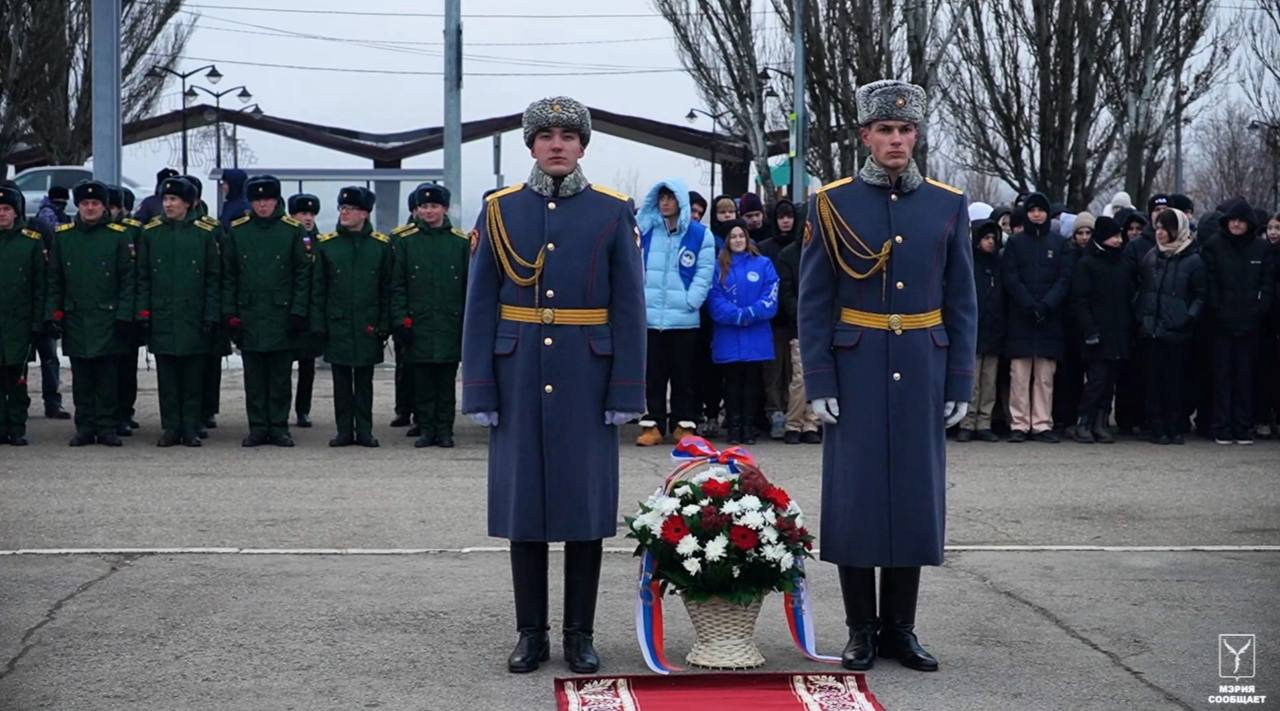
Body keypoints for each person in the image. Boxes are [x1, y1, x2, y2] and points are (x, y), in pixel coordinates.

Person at [461, 97, 645, 675]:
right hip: (517, 376)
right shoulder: (499, 211)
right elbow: (480, 307)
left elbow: (629, 309)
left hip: (588, 378)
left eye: (569, 135)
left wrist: (625, 392)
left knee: (585, 511)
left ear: (584, 145)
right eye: (546, 135)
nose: (558, 144)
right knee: (526, 511)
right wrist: (481, 389)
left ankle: (580, 634)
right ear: (531, 145)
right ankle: (531, 633)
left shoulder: (613, 211)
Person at [799, 79, 976, 673]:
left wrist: (958, 382)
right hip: (856, 364)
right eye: (885, 130)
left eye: (905, 130)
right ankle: (860, 631)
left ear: (916, 135)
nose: (896, 140)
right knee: (857, 499)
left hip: (923, 362)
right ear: (865, 136)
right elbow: (815, 300)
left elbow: (962, 301)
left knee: (913, 498)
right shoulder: (833, 202)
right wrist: (820, 379)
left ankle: (901, 628)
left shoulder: (947, 203)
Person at [222, 175, 311, 448]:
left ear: (276, 201)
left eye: (268, 200)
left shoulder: (291, 231)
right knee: (255, 377)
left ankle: (280, 426)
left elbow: (302, 274)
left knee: (280, 377)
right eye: (258, 200)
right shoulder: (238, 231)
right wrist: (231, 314)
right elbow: (229, 275)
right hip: (249, 314)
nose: (263, 206)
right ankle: (258, 427)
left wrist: (298, 311)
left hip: (281, 314)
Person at [44, 181, 134, 447]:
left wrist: (125, 314)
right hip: (76, 317)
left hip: (109, 318)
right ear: (78, 206)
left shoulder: (118, 235)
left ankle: (106, 427)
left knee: (107, 377)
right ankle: (84, 427)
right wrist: (54, 313)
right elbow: (55, 279)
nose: (90, 208)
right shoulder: (64, 236)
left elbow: (128, 279)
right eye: (85, 204)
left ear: (104, 206)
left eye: (95, 204)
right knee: (82, 378)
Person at [136, 177, 220, 447]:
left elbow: (212, 277)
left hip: (194, 316)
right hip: (163, 315)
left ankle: (191, 427)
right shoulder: (151, 232)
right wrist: (144, 311)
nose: (168, 204)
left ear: (188, 203)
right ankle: (171, 427)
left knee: (193, 378)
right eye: (166, 199)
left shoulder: (204, 233)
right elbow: (143, 277)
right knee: (168, 378)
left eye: (174, 200)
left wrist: (211, 314)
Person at [633, 179, 715, 446]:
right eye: (661, 198)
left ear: (680, 201)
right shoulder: (645, 231)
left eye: (670, 198)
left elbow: (705, 272)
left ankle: (683, 423)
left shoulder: (700, 234)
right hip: (650, 318)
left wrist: (691, 301)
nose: (665, 202)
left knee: (683, 375)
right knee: (653, 375)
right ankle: (653, 424)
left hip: (684, 319)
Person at [311, 186, 392, 448]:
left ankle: (365, 430)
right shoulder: (328, 245)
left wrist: (383, 324)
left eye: (351, 209)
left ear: (364, 214)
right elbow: (318, 289)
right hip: (338, 323)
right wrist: (318, 324)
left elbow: (387, 288)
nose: (344, 213)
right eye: (342, 208)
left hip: (367, 324)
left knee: (365, 381)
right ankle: (344, 430)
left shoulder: (380, 246)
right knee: (341, 381)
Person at [390, 183, 470, 449]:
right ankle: (426, 428)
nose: (429, 211)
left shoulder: (460, 242)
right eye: (424, 206)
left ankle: (445, 429)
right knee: (422, 381)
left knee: (446, 382)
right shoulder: (405, 241)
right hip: (418, 324)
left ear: (444, 209)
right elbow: (397, 284)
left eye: (434, 206)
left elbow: (468, 287)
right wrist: (401, 319)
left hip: (449, 323)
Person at [1201, 199, 1275, 444]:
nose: (1235, 224)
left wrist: (1257, 311)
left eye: (1241, 220)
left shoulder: (1261, 249)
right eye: (1232, 220)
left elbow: (1267, 284)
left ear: (1249, 224)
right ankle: (1222, 426)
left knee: (1245, 377)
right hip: (1220, 323)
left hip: (1250, 324)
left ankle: (1242, 427)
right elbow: (1209, 283)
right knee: (1222, 376)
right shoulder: (1214, 246)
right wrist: (1217, 312)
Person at [1002, 192, 1071, 442]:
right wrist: (1029, 304)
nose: (1037, 214)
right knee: (1019, 375)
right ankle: (1019, 424)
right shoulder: (1015, 243)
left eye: (1041, 210)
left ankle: (1042, 424)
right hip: (1021, 317)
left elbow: (1064, 279)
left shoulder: (1060, 243)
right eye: (1032, 210)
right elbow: (1010, 277)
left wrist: (1046, 305)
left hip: (1049, 318)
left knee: (1044, 376)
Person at [1135, 208, 1205, 445]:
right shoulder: (1151, 257)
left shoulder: (1193, 259)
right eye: (1158, 228)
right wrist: (1143, 317)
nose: (1161, 233)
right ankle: (1157, 428)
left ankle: (1174, 427)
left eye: (1166, 228)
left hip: (1178, 331)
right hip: (1152, 329)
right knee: (1154, 382)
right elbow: (1140, 289)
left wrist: (1188, 317)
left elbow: (1201, 295)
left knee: (1176, 382)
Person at [708, 218, 778, 444]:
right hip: (728, 335)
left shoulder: (763, 263)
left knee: (752, 382)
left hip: (756, 335)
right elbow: (714, 299)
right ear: (727, 240)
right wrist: (736, 315)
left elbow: (770, 295)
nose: (738, 240)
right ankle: (733, 428)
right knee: (732, 382)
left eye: (741, 236)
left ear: (747, 238)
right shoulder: (718, 266)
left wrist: (751, 313)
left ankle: (748, 428)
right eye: (733, 237)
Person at [1068, 216, 1132, 444]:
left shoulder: (1123, 263)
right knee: (1096, 380)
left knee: (1109, 383)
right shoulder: (1088, 263)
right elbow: (1080, 300)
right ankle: (1084, 422)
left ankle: (1101, 422)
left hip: (1118, 331)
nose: (1118, 240)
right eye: (1114, 236)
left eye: (1119, 236)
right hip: (1097, 332)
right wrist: (1089, 329)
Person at [0, 184, 45, 446]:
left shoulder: (30, 242)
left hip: (19, 323)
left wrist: (39, 320)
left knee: (17, 379)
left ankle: (16, 426)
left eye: (7, 209)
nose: (2, 214)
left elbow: (40, 285)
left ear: (16, 213)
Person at [694, 194, 740, 437]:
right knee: (708, 369)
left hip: (734, 316)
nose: (726, 216)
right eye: (721, 212)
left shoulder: (740, 240)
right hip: (708, 314)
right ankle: (709, 413)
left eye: (730, 211)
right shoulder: (709, 238)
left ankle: (732, 416)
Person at [774, 211, 821, 444]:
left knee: (819, 375)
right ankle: (793, 423)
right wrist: (802, 315)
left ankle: (811, 423)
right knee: (800, 377)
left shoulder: (824, 252)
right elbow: (786, 292)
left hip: (824, 323)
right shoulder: (788, 255)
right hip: (800, 325)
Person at [957, 219, 1004, 442]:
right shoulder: (969, 264)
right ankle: (967, 421)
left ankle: (984, 421)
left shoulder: (998, 265)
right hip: (974, 330)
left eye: (993, 239)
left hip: (993, 330)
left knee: (989, 381)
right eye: (986, 238)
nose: (990, 242)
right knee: (972, 380)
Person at [758, 199, 799, 439]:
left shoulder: (801, 246)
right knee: (773, 370)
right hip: (772, 319)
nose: (785, 221)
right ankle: (775, 412)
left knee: (794, 372)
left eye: (789, 216)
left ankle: (793, 412)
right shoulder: (764, 248)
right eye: (781, 216)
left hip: (795, 318)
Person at [108, 185, 145, 437]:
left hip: (127, 312)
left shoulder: (134, 232)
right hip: (100, 310)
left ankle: (124, 411)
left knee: (126, 368)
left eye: (112, 207)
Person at [1053, 212, 1095, 433]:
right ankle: (1066, 418)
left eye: (1088, 232)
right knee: (1069, 376)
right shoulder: (1068, 256)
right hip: (1069, 324)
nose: (1085, 237)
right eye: (1080, 232)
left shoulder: (1096, 257)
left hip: (1088, 324)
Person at [288, 193, 323, 428]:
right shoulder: (286, 238)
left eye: (311, 214)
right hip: (288, 311)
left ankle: (303, 410)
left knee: (307, 365)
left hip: (310, 313)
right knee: (282, 366)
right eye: (303, 213)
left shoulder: (321, 241)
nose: (308, 218)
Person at [217, 168, 250, 233]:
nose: (223, 186)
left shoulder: (244, 207)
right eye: (223, 183)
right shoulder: (229, 203)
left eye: (226, 183)